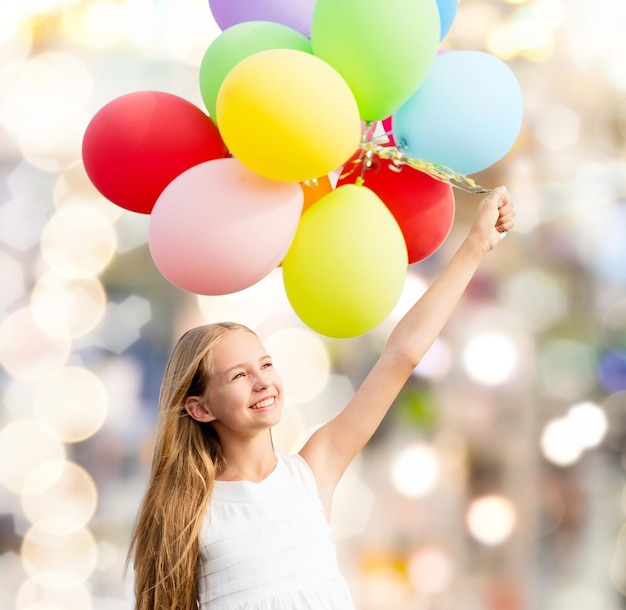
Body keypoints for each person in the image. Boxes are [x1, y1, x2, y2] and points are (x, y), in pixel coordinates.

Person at [128, 186, 516, 610]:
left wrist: (476, 245)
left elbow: (401, 355)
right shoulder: (187, 512)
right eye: (239, 375)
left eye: (266, 365)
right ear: (200, 407)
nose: (262, 382)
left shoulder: (313, 469)